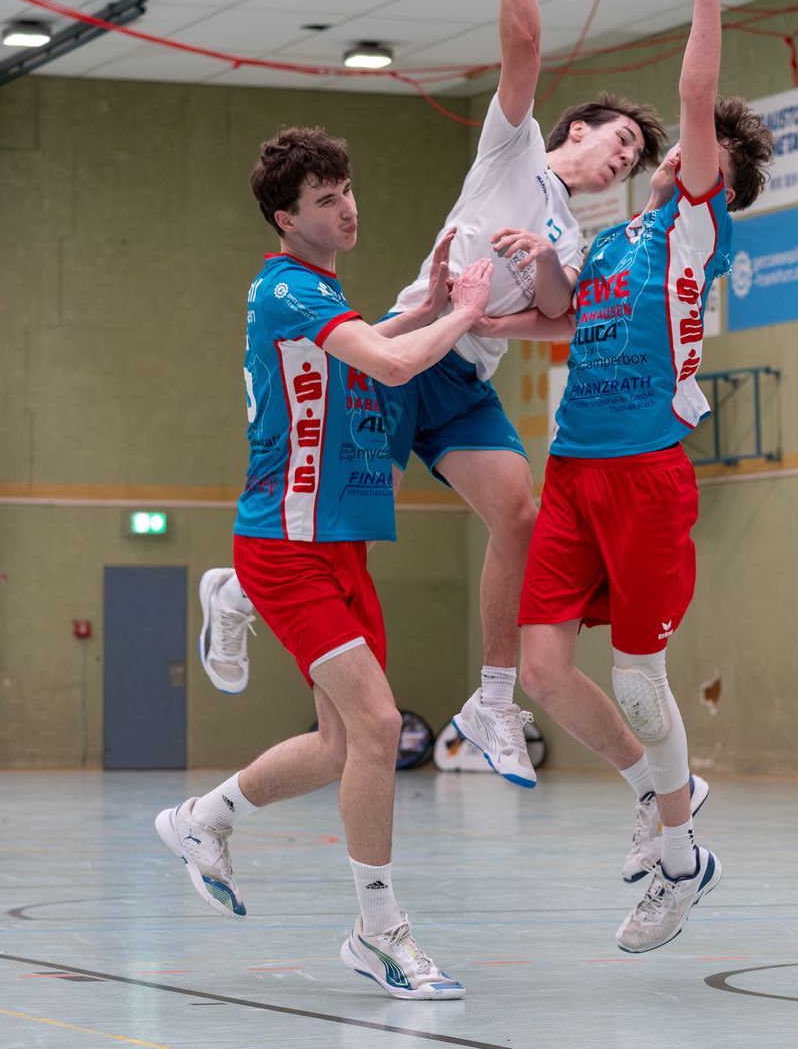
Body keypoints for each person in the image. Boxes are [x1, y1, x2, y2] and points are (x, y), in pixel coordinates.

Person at [197, 0, 667, 791]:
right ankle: (239, 589)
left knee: (519, 511)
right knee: (333, 528)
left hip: (462, 372)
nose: (626, 156)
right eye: (620, 138)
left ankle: (492, 703)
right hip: (401, 353)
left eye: (637, 157)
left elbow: (559, 318)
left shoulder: (577, 236)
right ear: (577, 128)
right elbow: (523, 43)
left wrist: (525, 279)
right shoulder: (513, 147)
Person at [491, 0, 773, 953]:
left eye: (693, 149)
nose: (668, 150)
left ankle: (680, 855)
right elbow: (558, 316)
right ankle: (663, 799)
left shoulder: (695, 226)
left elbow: (697, 91)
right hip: (574, 470)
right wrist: (509, 286)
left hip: (648, 473)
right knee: (541, 668)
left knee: (638, 679)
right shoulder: (614, 243)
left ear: (711, 179)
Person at [157, 127, 494, 1001]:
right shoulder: (287, 288)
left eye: (347, 190)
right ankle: (380, 931)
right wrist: (465, 311)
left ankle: (204, 819)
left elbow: (366, 347)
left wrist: (427, 305)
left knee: (341, 743)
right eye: (324, 199)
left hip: (338, 543)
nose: (347, 208)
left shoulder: (318, 294)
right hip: (287, 544)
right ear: (285, 217)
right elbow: (391, 365)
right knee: (380, 726)